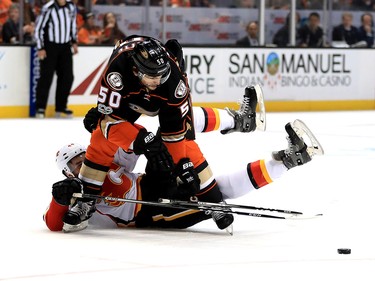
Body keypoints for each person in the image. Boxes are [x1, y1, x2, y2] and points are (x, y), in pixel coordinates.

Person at [63, 35, 262, 233]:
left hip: (164, 99)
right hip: (129, 97)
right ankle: (87, 200)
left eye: (161, 74)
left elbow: (176, 132)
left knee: (185, 137)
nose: (158, 80)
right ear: (136, 69)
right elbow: (109, 123)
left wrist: (182, 164)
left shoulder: (173, 83)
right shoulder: (118, 70)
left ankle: (236, 127)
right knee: (100, 135)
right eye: (152, 76)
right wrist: (142, 141)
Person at [44, 106, 324, 232]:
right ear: (67, 172)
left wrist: (106, 122)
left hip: (153, 183)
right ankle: (288, 160)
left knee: (175, 126)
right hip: (150, 212)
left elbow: (128, 138)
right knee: (218, 191)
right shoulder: (75, 194)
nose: (81, 164)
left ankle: (237, 119)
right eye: (74, 163)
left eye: (82, 157)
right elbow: (56, 223)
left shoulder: (107, 161)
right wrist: (59, 201)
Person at [34, 0, 78, 119]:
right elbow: (39, 28)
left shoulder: (71, 6)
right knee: (46, 76)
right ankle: (40, 107)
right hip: (50, 46)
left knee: (67, 77)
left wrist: (74, 41)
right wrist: (41, 47)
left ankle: (61, 107)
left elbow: (72, 24)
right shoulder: (48, 8)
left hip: (65, 46)